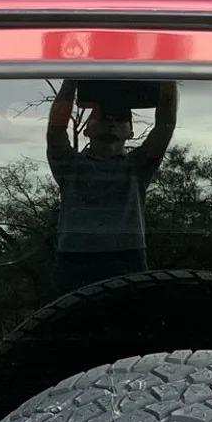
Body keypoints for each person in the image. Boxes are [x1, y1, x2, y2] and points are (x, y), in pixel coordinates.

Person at [45, 78, 177, 292]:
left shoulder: (138, 166)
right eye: (102, 117)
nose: (111, 123)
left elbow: (165, 126)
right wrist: (70, 81)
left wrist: (168, 78)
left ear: (130, 132)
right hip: (73, 260)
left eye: (121, 118)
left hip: (128, 257)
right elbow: (56, 130)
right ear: (87, 129)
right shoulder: (69, 166)